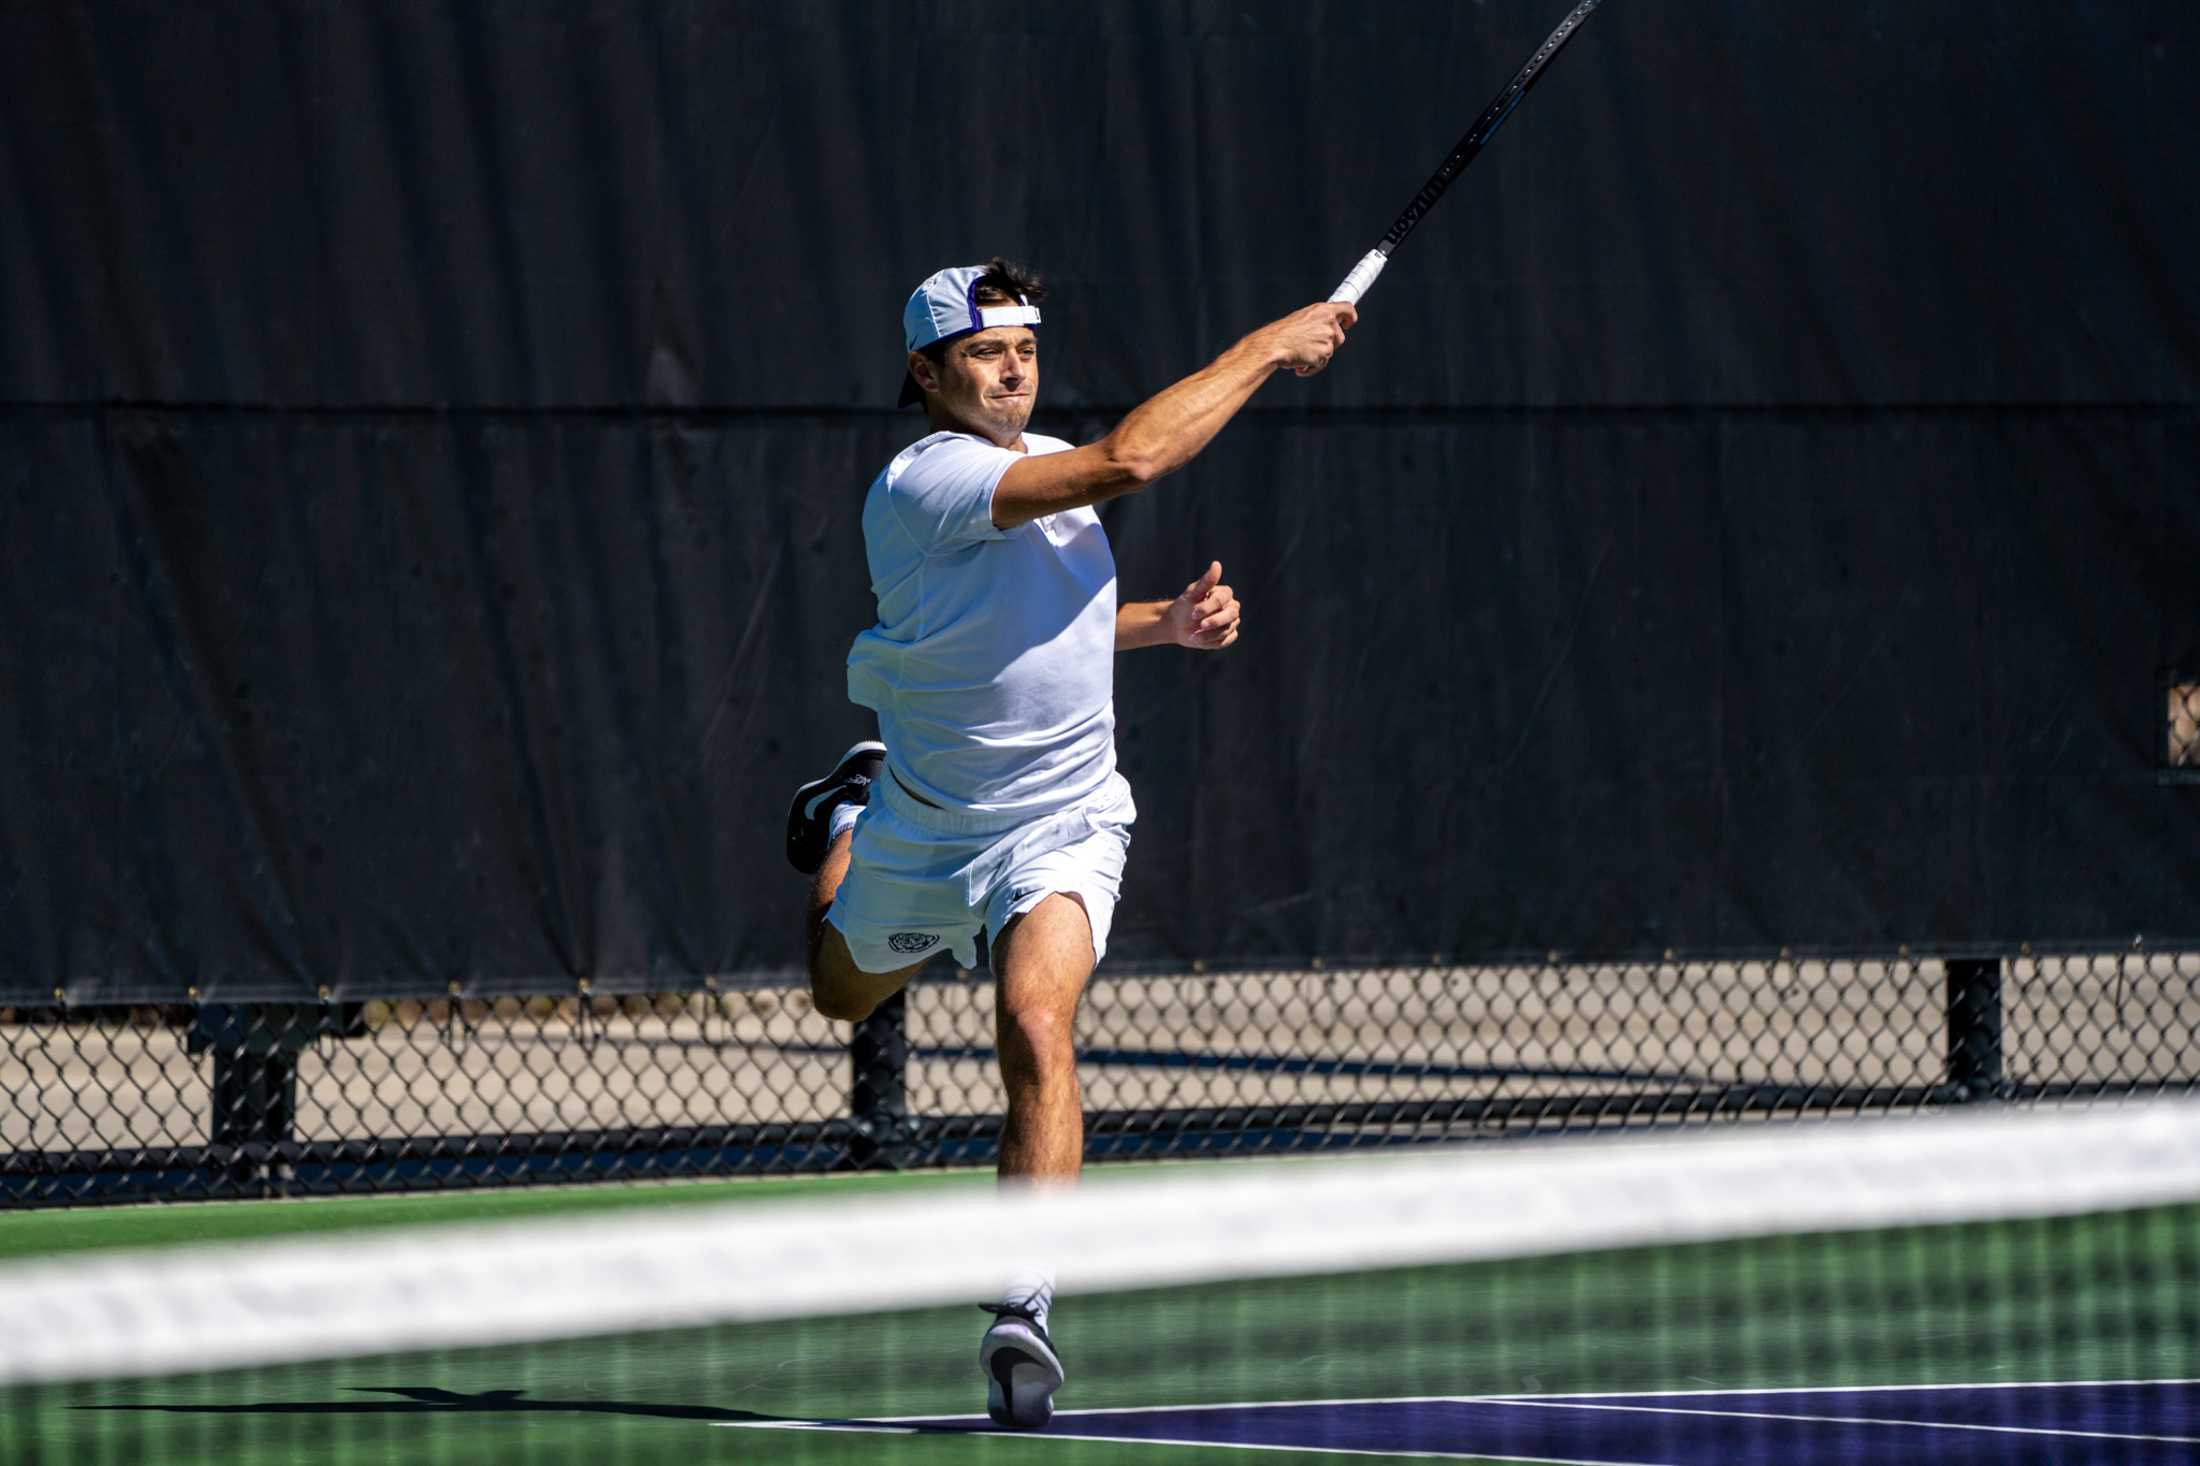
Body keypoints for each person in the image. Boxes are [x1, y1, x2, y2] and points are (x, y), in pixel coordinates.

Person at [784, 258, 1353, 1427]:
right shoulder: (926, 480)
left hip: (1064, 817)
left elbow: (1057, 631)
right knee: (841, 993)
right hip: (930, 826)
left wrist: (1167, 624)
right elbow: (1134, 457)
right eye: (987, 352)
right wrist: (1264, 346)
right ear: (926, 370)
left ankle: (1022, 1302)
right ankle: (849, 810)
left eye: (1026, 349)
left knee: (1037, 1021)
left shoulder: (1047, 475)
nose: (1012, 369)